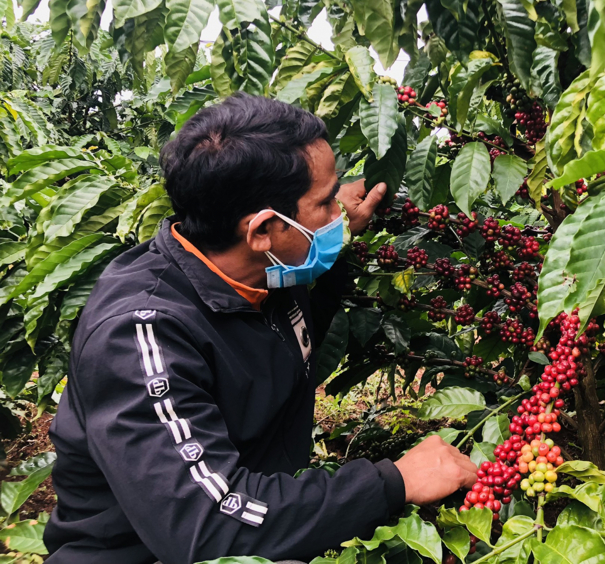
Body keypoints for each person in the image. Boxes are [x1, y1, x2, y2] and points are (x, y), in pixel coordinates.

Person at [44, 94, 477, 564]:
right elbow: (207, 526)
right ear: (263, 231)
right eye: (326, 200)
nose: (339, 211)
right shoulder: (140, 334)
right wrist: (394, 481)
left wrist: (333, 226)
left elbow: (297, 319)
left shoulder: (266, 270)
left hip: (262, 526)